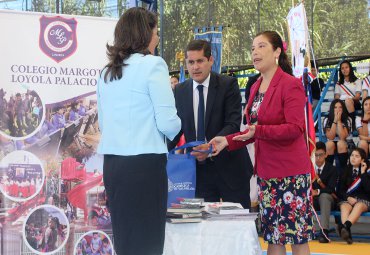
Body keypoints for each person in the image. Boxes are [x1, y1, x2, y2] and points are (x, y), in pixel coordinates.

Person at [211, 31, 313, 255]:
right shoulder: (256, 87)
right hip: (266, 174)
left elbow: (296, 128)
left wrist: (259, 130)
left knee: (297, 237)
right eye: (253, 48)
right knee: (273, 237)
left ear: (277, 51)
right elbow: (251, 132)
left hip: (291, 174)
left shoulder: (290, 84)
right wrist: (225, 142)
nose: (255, 52)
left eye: (261, 46)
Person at [97, 7, 181, 255]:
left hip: (114, 166)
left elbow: (104, 124)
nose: (157, 38)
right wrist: (179, 122)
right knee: (148, 243)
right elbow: (168, 122)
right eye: (155, 32)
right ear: (144, 34)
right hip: (144, 165)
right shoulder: (153, 65)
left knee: (126, 241)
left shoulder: (107, 72)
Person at [168, 39, 253, 209]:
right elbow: (176, 129)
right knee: (203, 229)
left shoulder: (228, 84)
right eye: (191, 62)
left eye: (200, 61)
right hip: (199, 172)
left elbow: (233, 124)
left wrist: (209, 148)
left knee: (237, 226)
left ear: (211, 61)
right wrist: (159, 151)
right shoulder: (180, 90)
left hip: (231, 167)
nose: (195, 67)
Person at [337, 148, 370, 244]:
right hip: (349, 199)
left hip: (364, 201)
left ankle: (344, 226)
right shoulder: (345, 171)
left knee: (359, 205)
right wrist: (348, 198)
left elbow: (368, 189)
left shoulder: (367, 171)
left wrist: (363, 173)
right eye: (352, 155)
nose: (353, 158)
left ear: (362, 159)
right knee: (344, 206)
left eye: (357, 156)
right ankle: (347, 233)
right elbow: (340, 191)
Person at [312, 141, 338, 243]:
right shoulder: (309, 168)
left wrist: (317, 191)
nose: (318, 158)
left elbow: (331, 188)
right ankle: (306, 230)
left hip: (328, 201)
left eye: (320, 155)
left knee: (324, 196)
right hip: (313, 200)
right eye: (315, 155)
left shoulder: (332, 169)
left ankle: (324, 231)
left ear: (326, 154)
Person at [323, 99, 351, 170]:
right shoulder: (327, 119)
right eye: (335, 107)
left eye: (340, 107)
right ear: (332, 109)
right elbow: (331, 137)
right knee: (329, 144)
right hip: (331, 143)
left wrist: (339, 121)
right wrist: (335, 120)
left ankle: (344, 172)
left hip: (345, 143)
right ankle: (328, 171)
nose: (338, 109)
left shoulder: (347, 119)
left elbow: (342, 137)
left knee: (340, 143)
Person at [334, 60, 362, 131]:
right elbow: (336, 97)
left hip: (354, 103)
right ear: (340, 70)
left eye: (346, 67)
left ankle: (353, 123)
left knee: (348, 101)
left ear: (350, 68)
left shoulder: (357, 81)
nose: (344, 70)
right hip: (342, 103)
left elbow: (357, 97)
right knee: (339, 104)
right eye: (342, 68)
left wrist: (348, 98)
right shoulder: (338, 84)